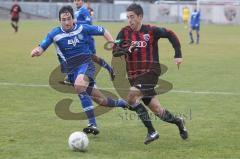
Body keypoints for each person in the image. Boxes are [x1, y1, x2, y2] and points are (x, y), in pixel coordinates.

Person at [31, 5, 127, 136]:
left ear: (73, 19)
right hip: (72, 72)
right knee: (101, 101)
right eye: (63, 19)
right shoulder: (55, 33)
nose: (66, 22)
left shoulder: (82, 28)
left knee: (79, 85)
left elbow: (103, 30)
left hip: (86, 65)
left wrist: (113, 45)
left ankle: (92, 124)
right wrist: (38, 51)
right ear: (59, 20)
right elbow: (43, 45)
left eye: (68, 19)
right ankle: (124, 103)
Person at [113, 3, 188, 144]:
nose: (130, 20)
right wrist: (127, 50)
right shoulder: (123, 32)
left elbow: (170, 34)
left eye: (132, 17)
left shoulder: (151, 31)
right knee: (158, 110)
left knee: (131, 96)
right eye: (128, 17)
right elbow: (115, 50)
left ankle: (152, 132)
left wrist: (178, 53)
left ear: (140, 17)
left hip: (150, 72)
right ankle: (179, 122)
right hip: (134, 76)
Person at [73, 0, 115, 80]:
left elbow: (89, 22)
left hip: (87, 39)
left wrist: (76, 22)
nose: (76, 2)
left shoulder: (84, 10)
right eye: (75, 0)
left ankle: (78, 77)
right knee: (88, 58)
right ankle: (109, 69)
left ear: (82, 1)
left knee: (90, 58)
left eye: (78, 0)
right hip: (81, 39)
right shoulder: (77, 11)